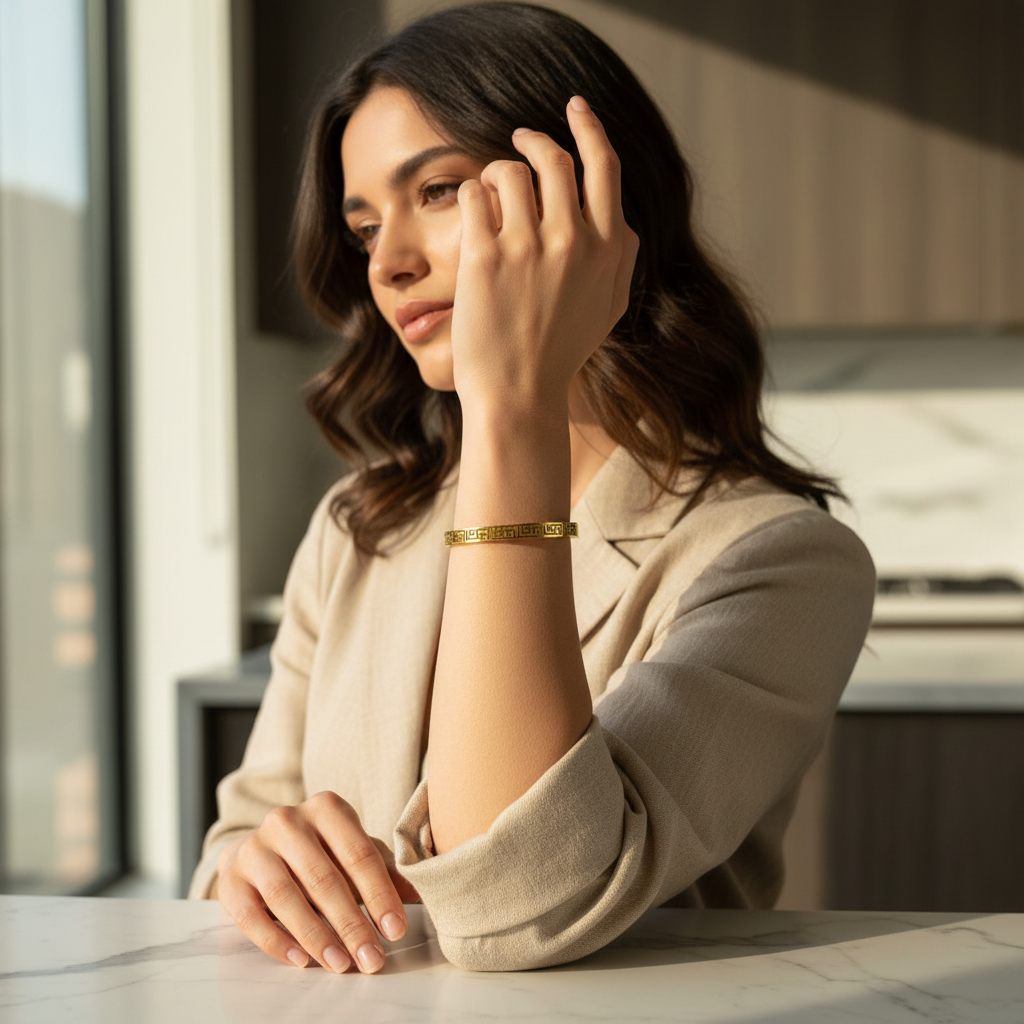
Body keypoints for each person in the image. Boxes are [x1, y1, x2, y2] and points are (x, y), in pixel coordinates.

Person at [189, 2, 875, 975]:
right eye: (364, 226)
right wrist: (261, 872)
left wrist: (510, 405)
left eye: (435, 190)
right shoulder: (357, 528)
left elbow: (518, 913)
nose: (387, 264)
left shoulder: (780, 562)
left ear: (592, 197)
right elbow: (230, 858)